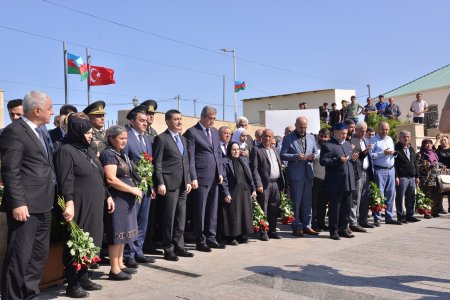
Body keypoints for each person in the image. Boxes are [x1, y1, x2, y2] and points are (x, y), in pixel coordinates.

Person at [0, 91, 56, 299]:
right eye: (50, 108)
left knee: (38, 256)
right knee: (19, 257)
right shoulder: (14, 131)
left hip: (45, 204)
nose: (53, 112)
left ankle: (30, 294)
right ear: (37, 110)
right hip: (26, 207)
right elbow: (10, 171)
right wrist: (18, 203)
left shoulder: (42, 131)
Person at [54, 115, 114, 298]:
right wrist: (69, 203)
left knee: (91, 240)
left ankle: (84, 277)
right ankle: (72, 284)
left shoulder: (86, 149)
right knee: (76, 243)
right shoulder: (66, 150)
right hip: (78, 204)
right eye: (87, 133)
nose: (90, 136)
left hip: (94, 204)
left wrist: (107, 195)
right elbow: (65, 180)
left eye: (90, 133)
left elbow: (98, 175)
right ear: (77, 132)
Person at [101, 126, 142, 281]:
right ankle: (114, 269)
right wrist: (132, 190)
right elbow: (111, 179)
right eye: (121, 138)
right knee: (116, 233)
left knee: (124, 233)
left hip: (125, 199)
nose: (124, 141)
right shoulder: (108, 154)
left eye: (126, 138)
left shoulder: (119, 153)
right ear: (112, 139)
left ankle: (120, 263)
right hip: (118, 198)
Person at [153, 110, 193, 261]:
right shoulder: (161, 139)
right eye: (176, 119)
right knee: (168, 218)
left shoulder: (182, 139)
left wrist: (188, 180)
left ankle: (179, 245)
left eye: (180, 119)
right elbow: (157, 163)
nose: (179, 122)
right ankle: (168, 248)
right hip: (169, 184)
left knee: (181, 217)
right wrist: (160, 182)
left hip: (183, 184)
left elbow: (186, 162)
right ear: (168, 121)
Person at [184, 106, 224, 252]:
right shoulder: (192, 133)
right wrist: (193, 177)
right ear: (202, 117)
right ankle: (200, 240)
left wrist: (220, 172)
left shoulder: (214, 132)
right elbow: (190, 157)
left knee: (212, 209)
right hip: (200, 177)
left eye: (214, 118)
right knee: (200, 210)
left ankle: (211, 237)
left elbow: (218, 154)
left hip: (214, 177)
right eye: (210, 118)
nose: (213, 121)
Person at [123, 105, 155, 267]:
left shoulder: (147, 139)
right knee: (132, 221)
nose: (145, 124)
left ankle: (139, 250)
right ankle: (129, 254)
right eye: (141, 121)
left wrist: (152, 186)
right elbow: (125, 162)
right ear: (132, 122)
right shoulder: (127, 138)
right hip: (133, 186)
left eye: (146, 121)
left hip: (146, 187)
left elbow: (149, 163)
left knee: (143, 220)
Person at [280, 117, 318, 237]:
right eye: (301, 127)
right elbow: (283, 155)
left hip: (308, 173)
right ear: (296, 125)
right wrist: (296, 156)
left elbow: (317, 152)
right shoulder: (288, 138)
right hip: (296, 174)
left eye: (305, 127)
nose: (303, 129)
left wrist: (313, 156)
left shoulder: (311, 137)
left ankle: (307, 225)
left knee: (307, 201)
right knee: (296, 202)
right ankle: (296, 226)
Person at [320, 123, 357, 240]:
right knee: (335, 208)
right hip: (335, 183)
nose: (344, 136)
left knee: (346, 207)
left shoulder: (347, 144)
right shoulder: (328, 145)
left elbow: (349, 162)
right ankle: (333, 230)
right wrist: (338, 159)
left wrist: (354, 159)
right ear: (335, 133)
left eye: (346, 133)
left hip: (348, 181)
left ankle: (343, 229)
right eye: (342, 133)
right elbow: (323, 161)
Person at [250, 129, 285, 240]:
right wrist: (258, 184)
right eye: (265, 136)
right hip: (265, 184)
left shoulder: (275, 149)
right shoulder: (256, 150)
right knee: (263, 208)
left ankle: (272, 230)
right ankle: (263, 232)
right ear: (261, 137)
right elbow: (254, 169)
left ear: (273, 138)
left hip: (276, 183)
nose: (268, 139)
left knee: (274, 208)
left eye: (270, 136)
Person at [220, 142, 256, 245]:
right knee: (233, 214)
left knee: (243, 213)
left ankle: (241, 235)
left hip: (244, 192)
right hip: (233, 192)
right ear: (229, 150)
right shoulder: (225, 161)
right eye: (233, 149)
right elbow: (224, 179)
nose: (236, 151)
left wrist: (253, 189)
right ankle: (231, 237)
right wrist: (226, 193)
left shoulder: (243, 160)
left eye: (237, 149)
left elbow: (249, 176)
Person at [370, 122, 402, 225]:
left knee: (390, 194)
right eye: (383, 129)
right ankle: (377, 218)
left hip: (391, 170)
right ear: (379, 129)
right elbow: (371, 156)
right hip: (379, 170)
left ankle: (389, 217)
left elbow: (390, 153)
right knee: (379, 194)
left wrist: (394, 154)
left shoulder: (390, 139)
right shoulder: (373, 140)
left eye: (387, 129)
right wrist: (383, 153)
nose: (385, 131)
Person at [349, 121, 372, 233]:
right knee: (355, 198)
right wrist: (364, 153)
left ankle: (361, 220)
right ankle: (353, 222)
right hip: (356, 172)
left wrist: (366, 151)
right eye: (361, 130)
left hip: (366, 172)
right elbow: (354, 158)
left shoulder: (366, 140)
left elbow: (364, 157)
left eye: (365, 130)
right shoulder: (352, 140)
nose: (363, 132)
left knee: (363, 198)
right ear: (356, 130)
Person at [394, 130, 421, 223]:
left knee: (411, 197)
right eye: (404, 137)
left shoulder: (411, 149)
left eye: (408, 137)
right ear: (400, 138)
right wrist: (396, 176)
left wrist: (417, 176)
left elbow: (415, 163)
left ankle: (410, 215)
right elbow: (394, 164)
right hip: (402, 177)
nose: (406, 138)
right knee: (400, 197)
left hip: (412, 177)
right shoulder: (396, 148)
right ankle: (400, 216)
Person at [417, 139, 443, 218]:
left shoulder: (434, 153)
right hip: (425, 179)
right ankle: (426, 212)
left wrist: (442, 166)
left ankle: (434, 211)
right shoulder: (420, 154)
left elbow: (437, 163)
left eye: (430, 143)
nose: (429, 145)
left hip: (435, 178)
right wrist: (424, 165)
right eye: (427, 143)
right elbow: (416, 166)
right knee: (427, 195)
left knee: (436, 194)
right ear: (423, 145)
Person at [311, 128, 330, 231]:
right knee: (314, 203)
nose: (323, 139)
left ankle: (321, 223)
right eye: (321, 136)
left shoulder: (330, 147)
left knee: (323, 203)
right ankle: (313, 224)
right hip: (315, 179)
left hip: (327, 180)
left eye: (325, 137)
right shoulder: (314, 147)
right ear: (318, 136)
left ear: (329, 137)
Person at [435, 134, 450, 214]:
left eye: (445, 140)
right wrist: (437, 140)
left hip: (449, 172)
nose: (443, 141)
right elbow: (433, 150)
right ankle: (440, 208)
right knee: (441, 190)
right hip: (440, 172)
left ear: (448, 140)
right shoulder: (438, 149)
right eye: (442, 140)